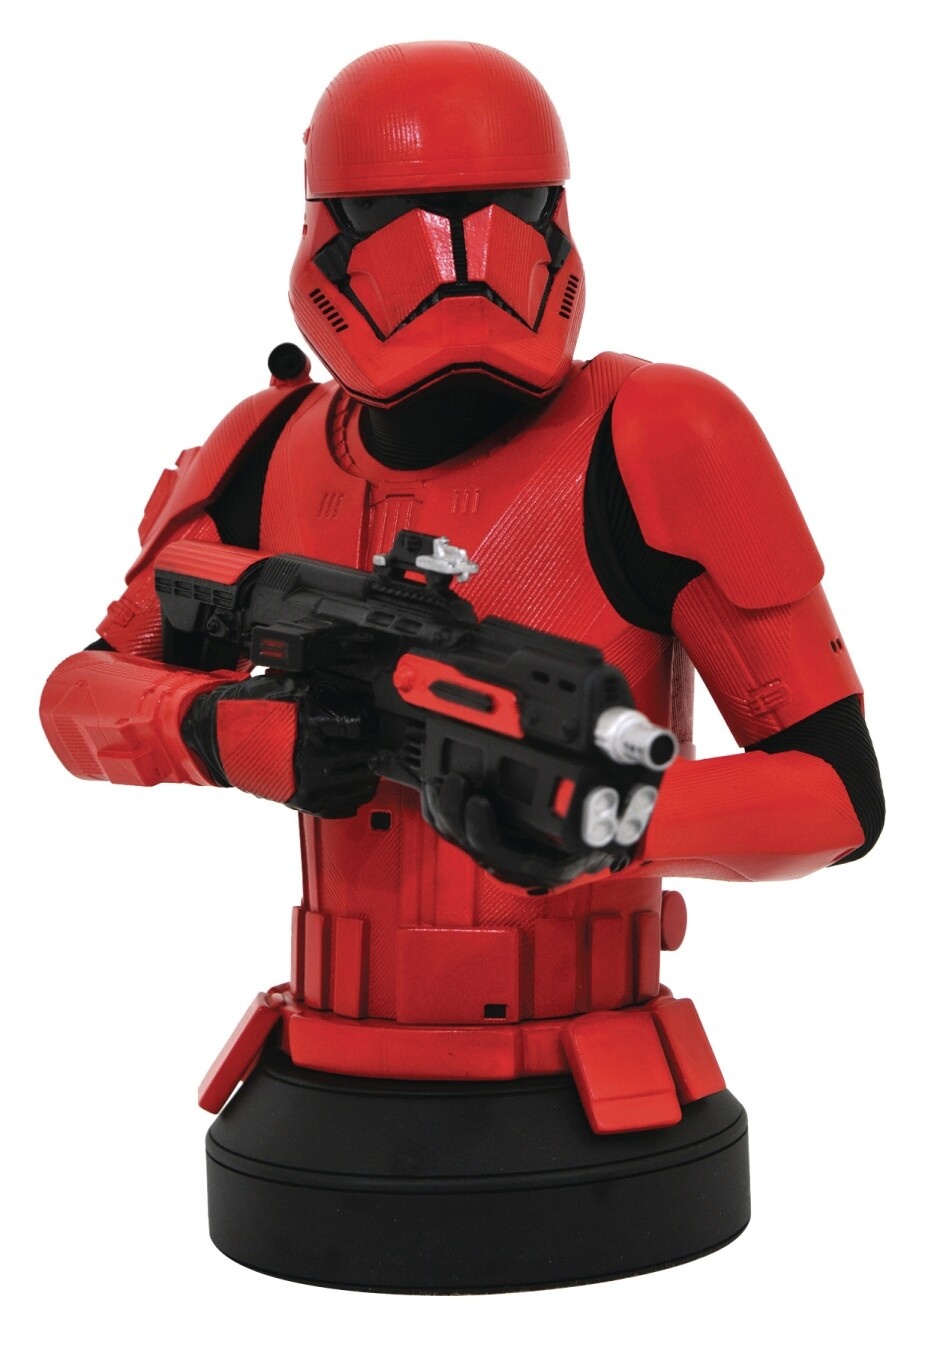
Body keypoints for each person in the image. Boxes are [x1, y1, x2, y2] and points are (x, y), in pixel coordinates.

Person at [40, 41, 884, 1292]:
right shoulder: (263, 444)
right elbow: (76, 697)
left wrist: (610, 823)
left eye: (507, 214)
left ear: (557, 219)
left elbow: (837, 798)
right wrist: (227, 732)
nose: (463, 263)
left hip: (588, 1088)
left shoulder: (662, 431)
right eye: (408, 224)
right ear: (326, 237)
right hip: (327, 1067)